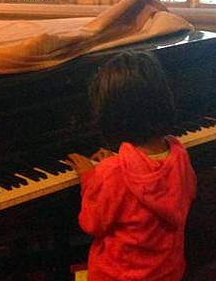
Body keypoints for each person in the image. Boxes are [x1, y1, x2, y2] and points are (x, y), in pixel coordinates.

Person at [66, 51, 197, 281]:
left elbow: (91, 223)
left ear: (109, 115)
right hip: (168, 273)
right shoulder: (179, 155)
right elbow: (186, 190)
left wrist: (90, 177)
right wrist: (119, 161)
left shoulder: (112, 172)